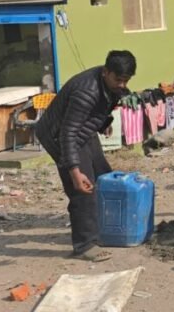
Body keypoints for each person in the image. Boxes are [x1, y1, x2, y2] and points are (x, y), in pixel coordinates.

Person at [34, 50, 136, 262]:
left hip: (81, 131)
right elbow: (68, 134)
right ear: (106, 72)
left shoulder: (108, 83)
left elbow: (104, 103)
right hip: (59, 136)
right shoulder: (86, 92)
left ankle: (102, 229)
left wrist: (103, 123)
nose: (122, 85)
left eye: (126, 80)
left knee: (103, 177)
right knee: (83, 188)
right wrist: (74, 171)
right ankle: (85, 245)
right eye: (118, 80)